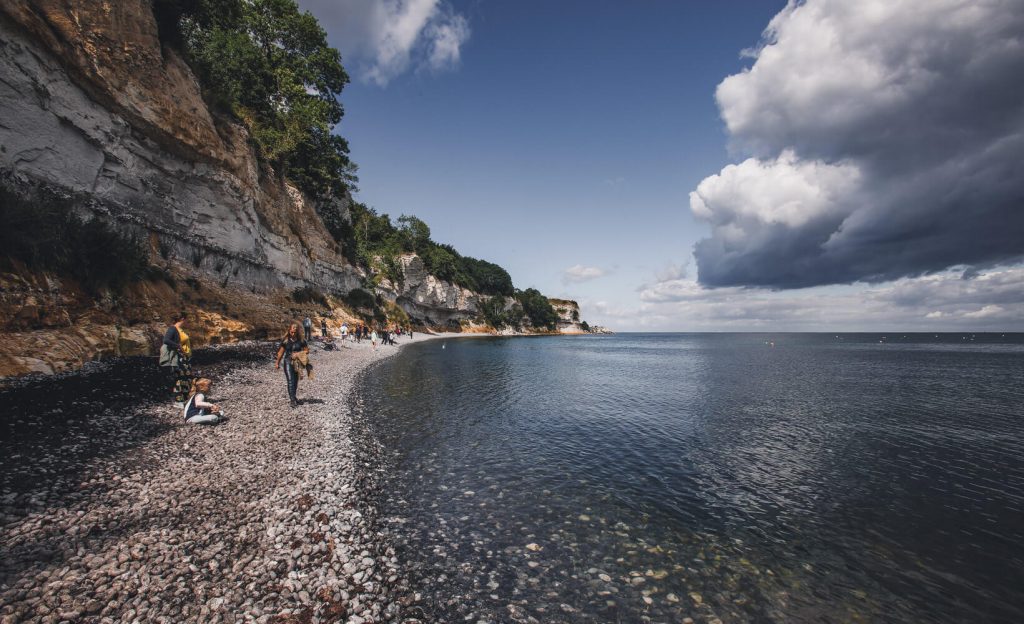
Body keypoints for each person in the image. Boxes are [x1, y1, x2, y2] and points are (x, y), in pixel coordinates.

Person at [159, 311, 192, 407]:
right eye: (186, 319)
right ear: (182, 319)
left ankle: (184, 399)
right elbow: (166, 340)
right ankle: (178, 401)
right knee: (180, 378)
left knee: (186, 379)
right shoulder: (173, 329)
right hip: (179, 358)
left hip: (184, 358)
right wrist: (178, 346)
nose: (186, 321)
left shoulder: (179, 329)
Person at [276, 322, 309, 407]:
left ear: (297, 332)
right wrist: (277, 363)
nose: (293, 334)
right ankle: (292, 400)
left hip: (298, 363)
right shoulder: (285, 340)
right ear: (289, 331)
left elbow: (307, 351)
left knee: (295, 381)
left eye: (295, 332)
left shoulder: (302, 340)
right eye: (292, 332)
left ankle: (294, 397)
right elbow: (280, 353)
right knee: (290, 380)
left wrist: (298, 354)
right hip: (287, 361)